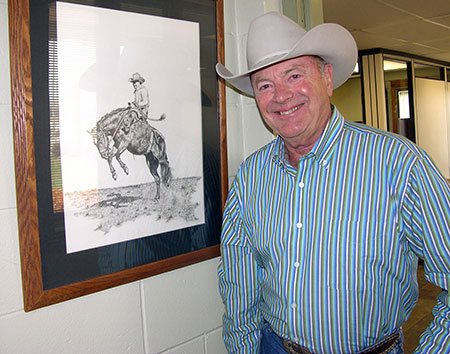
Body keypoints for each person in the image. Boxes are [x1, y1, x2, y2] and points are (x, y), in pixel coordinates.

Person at [216, 11, 450, 354]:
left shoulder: (400, 164)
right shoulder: (252, 176)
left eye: (294, 75)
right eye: (265, 85)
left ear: (327, 78)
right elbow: (239, 284)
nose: (281, 96)